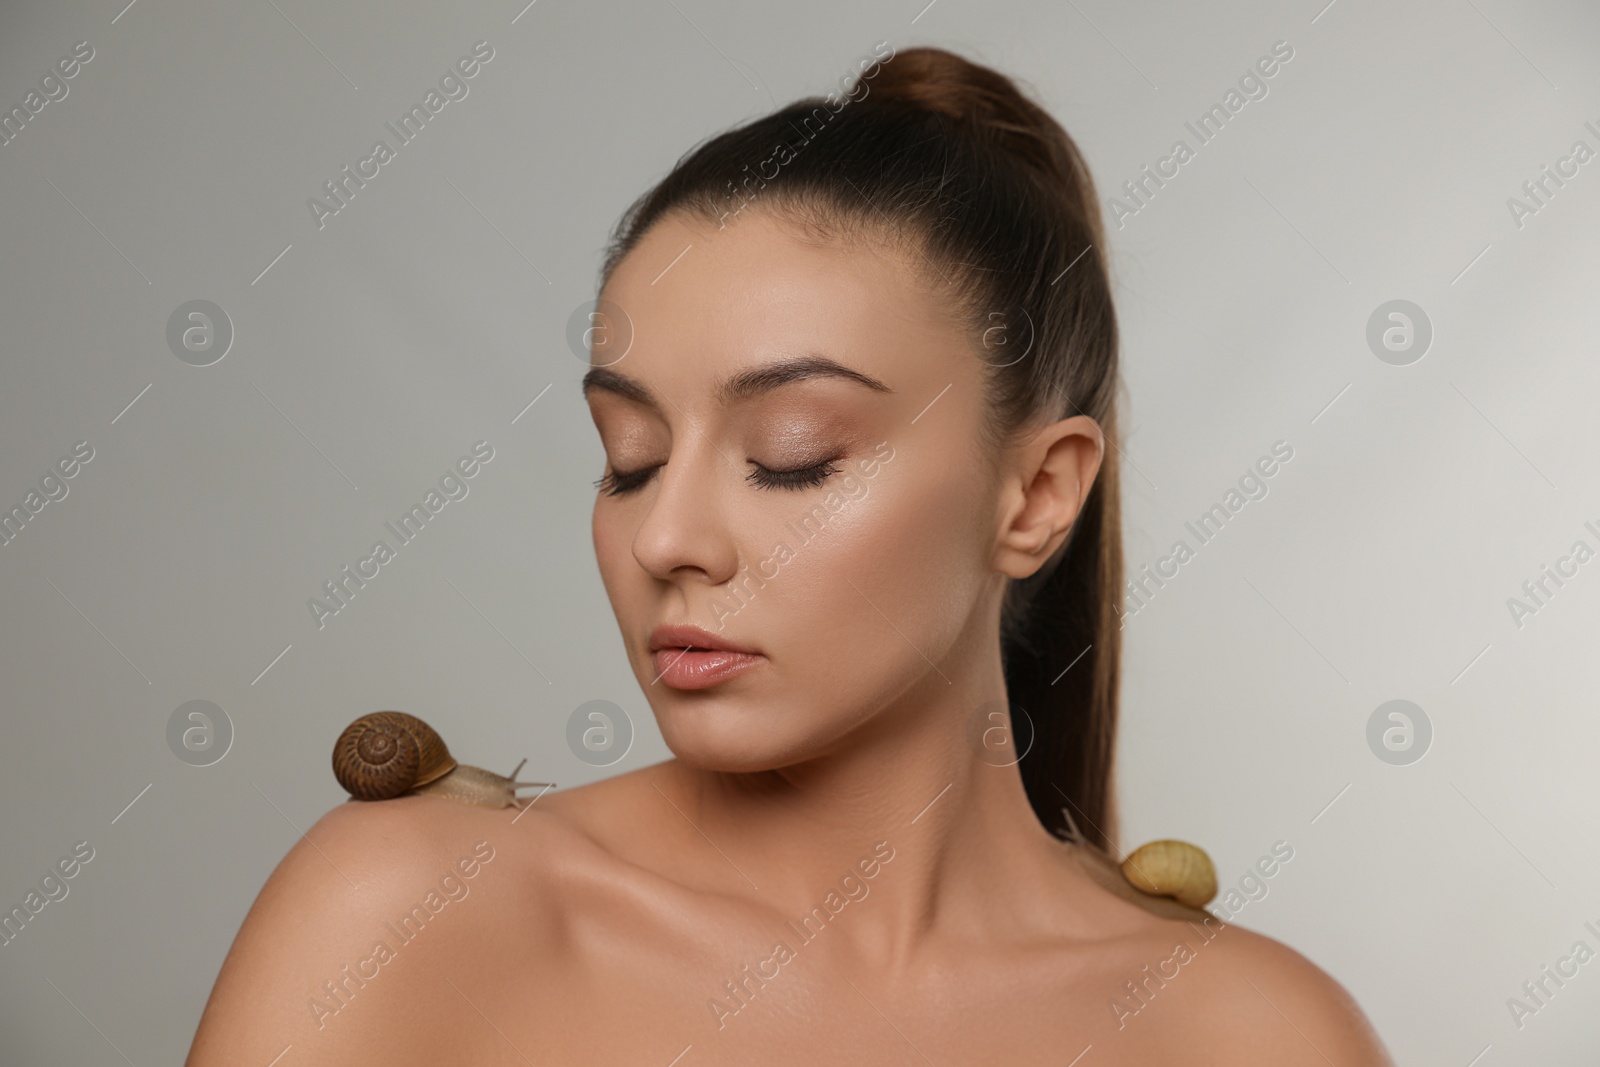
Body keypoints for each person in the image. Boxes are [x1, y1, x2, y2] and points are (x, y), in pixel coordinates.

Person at [186, 44, 1393, 1065]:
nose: (666, 537)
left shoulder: (1247, 1032)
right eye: (630, 455)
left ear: (1033, 494)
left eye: (792, 454)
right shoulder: (407, 912)